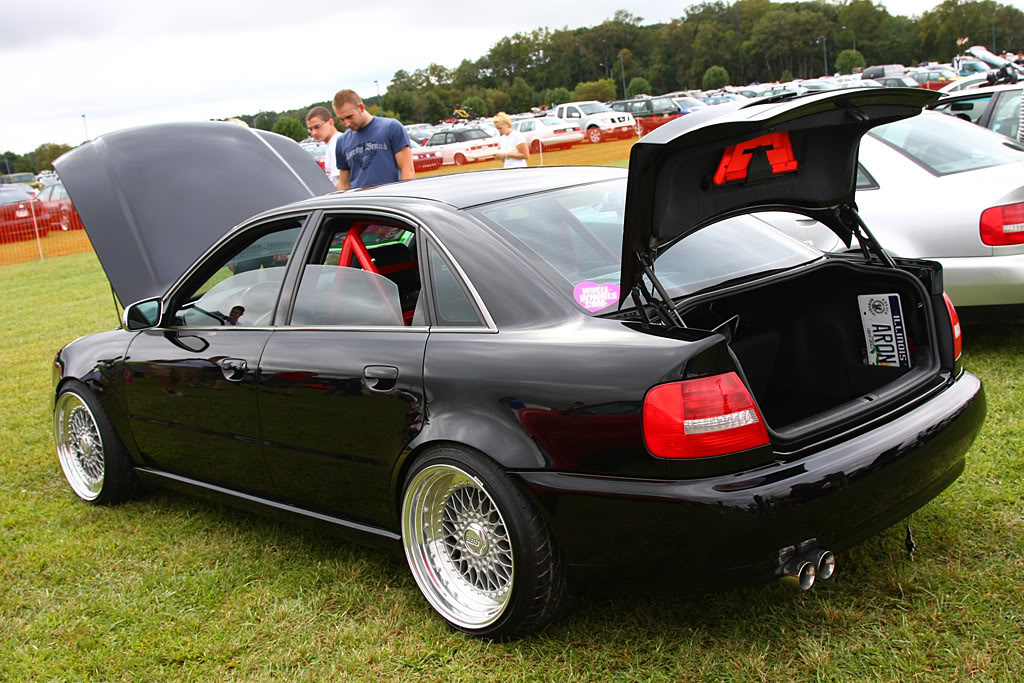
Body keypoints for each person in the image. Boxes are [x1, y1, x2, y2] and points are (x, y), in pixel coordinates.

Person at [331, 89, 414, 189]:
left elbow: (408, 170)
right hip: (361, 202)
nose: (346, 123)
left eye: (349, 117)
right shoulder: (342, 141)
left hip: (389, 199)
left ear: (361, 108)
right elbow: (343, 184)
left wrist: (403, 197)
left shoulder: (391, 127)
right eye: (341, 119)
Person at [305, 106, 342, 186]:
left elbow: (341, 183)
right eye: (310, 129)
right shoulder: (332, 143)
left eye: (317, 127)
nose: (314, 133)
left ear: (331, 123)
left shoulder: (336, 144)